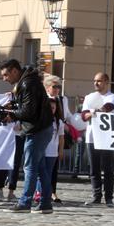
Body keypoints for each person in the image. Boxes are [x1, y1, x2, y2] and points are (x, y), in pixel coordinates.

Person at [0, 59, 54, 214]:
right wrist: (12, 105)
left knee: (29, 167)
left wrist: (10, 114)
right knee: (41, 168)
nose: (5, 79)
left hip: (37, 130)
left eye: (5, 75)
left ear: (15, 71)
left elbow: (28, 112)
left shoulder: (27, 83)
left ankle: (25, 203)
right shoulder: (27, 82)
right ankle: (45, 204)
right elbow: (26, 106)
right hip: (41, 128)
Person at [81, 73, 114, 207]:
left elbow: (108, 108)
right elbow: (83, 115)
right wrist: (90, 114)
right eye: (95, 81)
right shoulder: (89, 97)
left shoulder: (112, 97)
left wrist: (94, 112)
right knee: (94, 168)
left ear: (106, 82)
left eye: (99, 81)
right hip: (91, 137)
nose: (96, 83)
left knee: (108, 168)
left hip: (107, 138)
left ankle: (109, 197)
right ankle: (96, 196)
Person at [44, 74, 72, 203]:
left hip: (57, 132)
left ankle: (53, 192)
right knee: (42, 168)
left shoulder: (62, 99)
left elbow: (66, 115)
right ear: (47, 87)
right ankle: (41, 192)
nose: (57, 89)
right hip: (44, 135)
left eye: (58, 87)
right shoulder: (43, 99)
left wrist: (75, 123)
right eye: (54, 86)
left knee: (54, 167)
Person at [34, 96, 64, 207]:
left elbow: (61, 137)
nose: (51, 109)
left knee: (48, 174)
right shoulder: (41, 120)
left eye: (53, 107)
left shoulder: (59, 122)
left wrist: (60, 150)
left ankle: (45, 194)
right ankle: (38, 193)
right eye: (49, 107)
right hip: (42, 151)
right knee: (39, 174)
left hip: (52, 153)